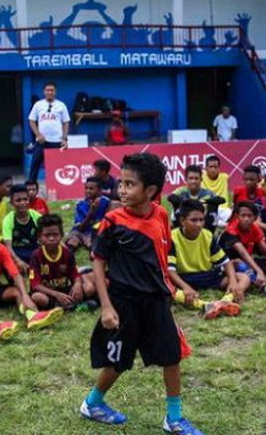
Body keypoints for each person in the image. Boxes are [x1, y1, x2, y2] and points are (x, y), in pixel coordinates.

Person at [79, 153, 203, 435]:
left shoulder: (160, 215)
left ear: (151, 191)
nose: (121, 190)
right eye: (121, 183)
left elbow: (161, 256)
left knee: (172, 356)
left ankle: (174, 418)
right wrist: (106, 307)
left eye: (129, 184)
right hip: (124, 304)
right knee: (118, 362)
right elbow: (98, 261)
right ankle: (92, 403)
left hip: (157, 301)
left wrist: (170, 290)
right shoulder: (112, 222)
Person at [167, 200, 243, 318]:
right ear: (182, 221)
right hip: (183, 278)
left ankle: (225, 301)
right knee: (164, 286)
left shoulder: (207, 235)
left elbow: (226, 262)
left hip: (206, 275)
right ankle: (204, 305)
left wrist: (233, 281)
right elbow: (170, 270)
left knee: (243, 277)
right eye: (194, 220)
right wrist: (185, 287)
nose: (198, 224)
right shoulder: (172, 237)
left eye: (201, 220)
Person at [29, 214, 97, 310]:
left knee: (88, 288)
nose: (51, 238)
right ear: (39, 237)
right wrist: (56, 294)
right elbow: (35, 285)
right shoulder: (35, 256)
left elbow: (75, 275)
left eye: (55, 235)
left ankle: (65, 306)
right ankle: (71, 306)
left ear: (61, 235)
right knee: (37, 297)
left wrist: (77, 284)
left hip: (65, 290)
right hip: (48, 292)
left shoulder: (67, 253)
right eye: (47, 235)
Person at [28, 82, 70, 182]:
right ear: (44, 92)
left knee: (57, 166)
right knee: (35, 164)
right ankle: (31, 187)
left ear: (55, 92)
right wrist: (38, 134)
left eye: (52, 90)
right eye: (47, 90)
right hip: (41, 141)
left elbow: (66, 122)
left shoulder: (61, 105)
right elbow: (31, 120)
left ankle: (56, 187)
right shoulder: (38, 105)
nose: (49, 92)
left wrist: (64, 138)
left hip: (56, 141)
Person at [0, 185, 43, 273]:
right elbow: (8, 247)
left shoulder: (36, 216)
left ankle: (32, 273)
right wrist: (18, 261)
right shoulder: (8, 220)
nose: (22, 203)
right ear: (11, 202)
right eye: (18, 200)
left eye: (25, 199)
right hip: (16, 253)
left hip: (33, 252)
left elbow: (47, 235)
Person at [66, 178, 111, 253]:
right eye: (86, 188)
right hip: (81, 231)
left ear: (99, 191)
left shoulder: (106, 202)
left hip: (95, 232)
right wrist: (91, 212)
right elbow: (81, 227)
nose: (88, 191)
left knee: (93, 242)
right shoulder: (81, 204)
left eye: (91, 189)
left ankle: (92, 251)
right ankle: (69, 254)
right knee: (72, 240)